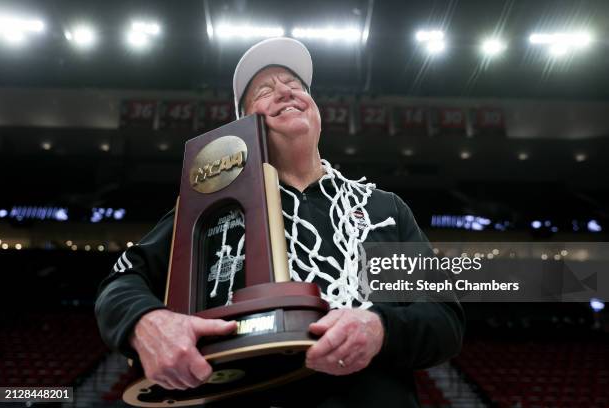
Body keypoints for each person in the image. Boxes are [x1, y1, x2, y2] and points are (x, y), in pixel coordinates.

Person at [95, 37, 464, 407]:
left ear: (316, 109)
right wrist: (146, 322)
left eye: (295, 86)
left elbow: (444, 317)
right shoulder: (210, 209)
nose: (285, 93)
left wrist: (382, 328)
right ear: (244, 125)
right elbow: (122, 280)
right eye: (265, 91)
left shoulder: (384, 208)